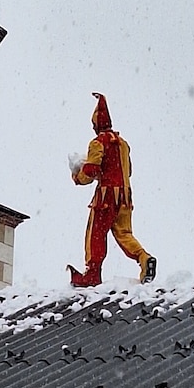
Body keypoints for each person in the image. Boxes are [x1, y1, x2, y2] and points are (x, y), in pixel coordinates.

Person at [67, 92, 156, 287]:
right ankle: (144, 258)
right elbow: (128, 170)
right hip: (125, 197)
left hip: (106, 196)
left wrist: (78, 178)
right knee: (124, 233)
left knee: (95, 234)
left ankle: (92, 274)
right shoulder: (123, 144)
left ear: (97, 124)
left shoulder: (98, 142)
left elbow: (90, 170)